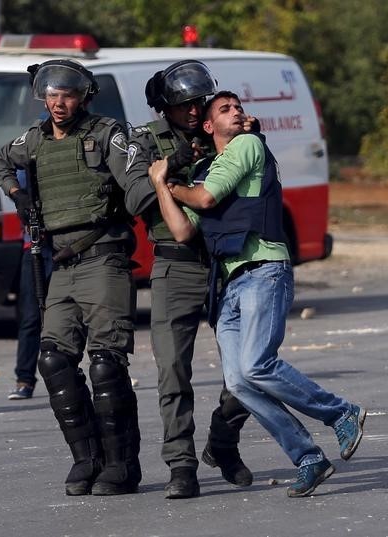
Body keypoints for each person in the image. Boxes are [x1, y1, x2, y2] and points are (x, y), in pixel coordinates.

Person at [151, 91, 367, 497]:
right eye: (225, 110)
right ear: (208, 126)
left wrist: (169, 184)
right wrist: (162, 185)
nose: (237, 113)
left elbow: (205, 198)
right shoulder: (204, 168)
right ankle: (308, 458)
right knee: (241, 384)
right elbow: (182, 230)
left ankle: (342, 412)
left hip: (264, 269)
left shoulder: (246, 145)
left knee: (255, 366)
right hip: (230, 284)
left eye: (238, 107)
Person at [0, 59, 141, 496]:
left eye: (67, 95)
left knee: (106, 365)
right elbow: (0, 162)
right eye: (51, 96)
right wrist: (18, 196)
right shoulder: (34, 139)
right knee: (54, 360)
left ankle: (121, 466)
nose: (58, 104)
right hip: (61, 264)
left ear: (84, 97)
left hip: (103, 258)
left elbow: (134, 182)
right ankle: (87, 460)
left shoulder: (106, 133)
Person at [124, 60, 253, 499]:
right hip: (175, 263)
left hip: (223, 261)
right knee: (172, 371)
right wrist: (176, 164)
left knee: (248, 368)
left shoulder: (221, 134)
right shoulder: (145, 140)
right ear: (165, 108)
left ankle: (223, 442)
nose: (194, 112)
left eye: (199, 103)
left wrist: (249, 134)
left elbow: (255, 171)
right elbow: (137, 196)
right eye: (183, 106)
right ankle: (181, 463)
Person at [8, 170, 52, 400]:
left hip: (65, 247)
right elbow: (16, 193)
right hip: (34, 250)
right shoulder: (28, 158)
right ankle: (24, 379)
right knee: (30, 319)